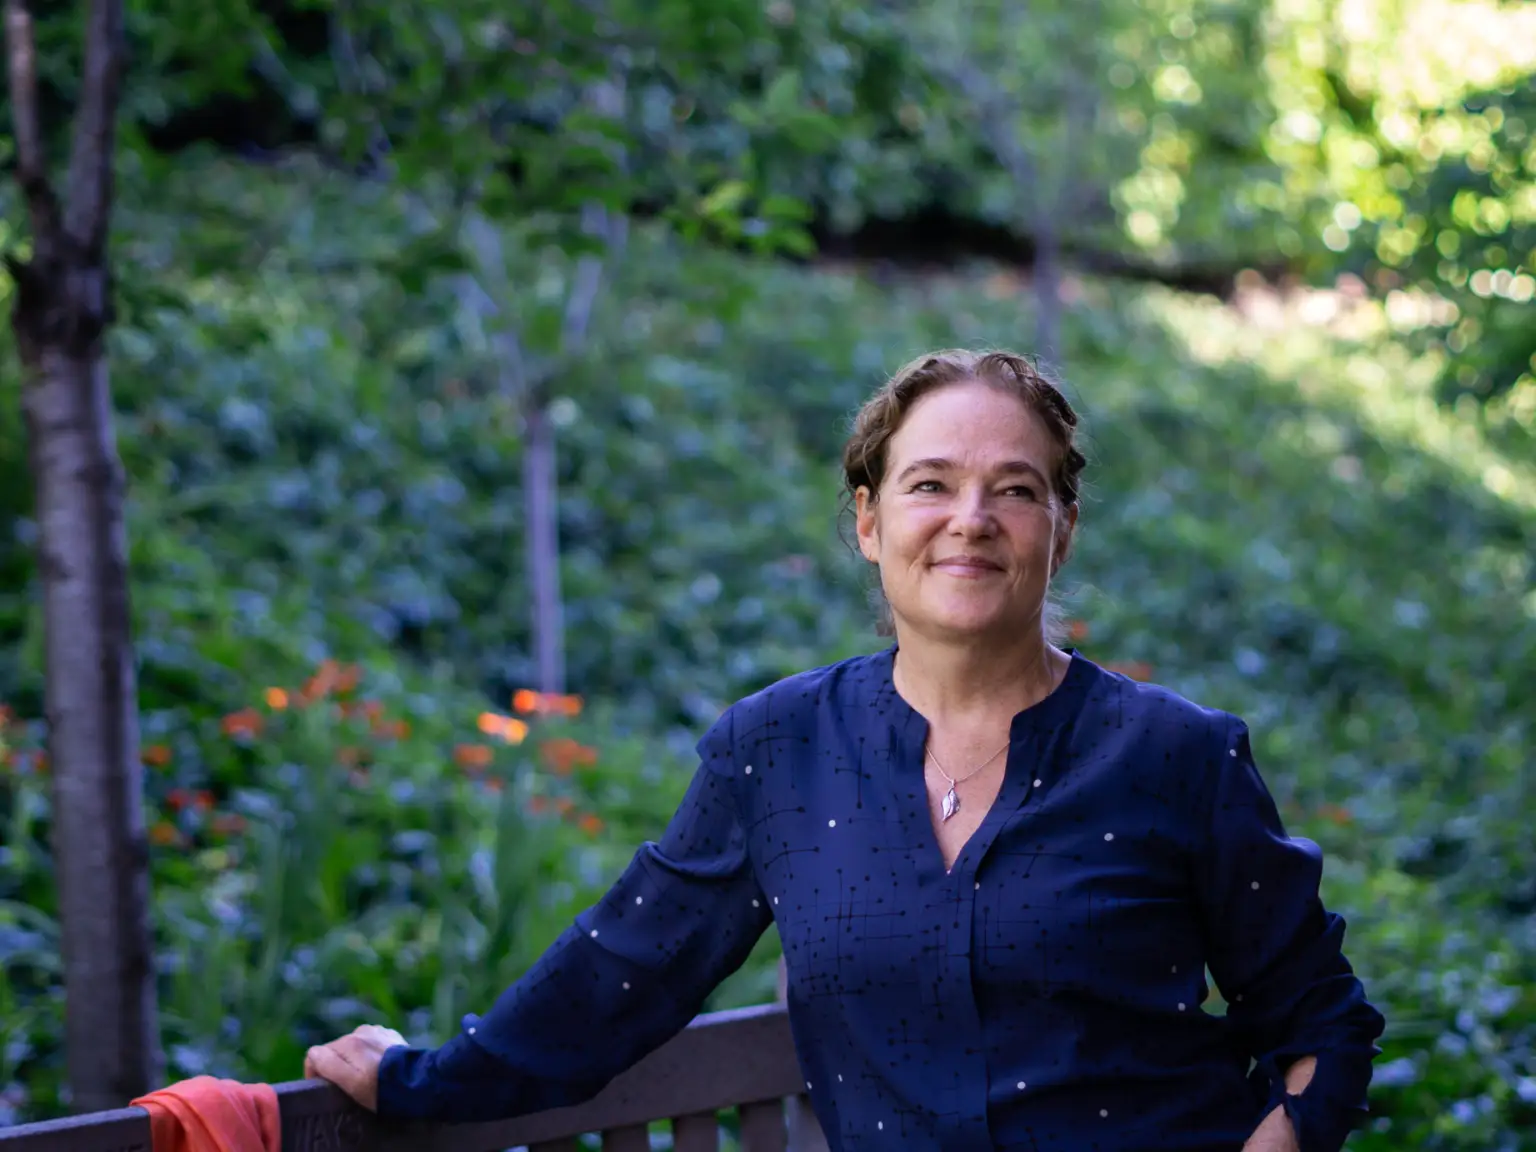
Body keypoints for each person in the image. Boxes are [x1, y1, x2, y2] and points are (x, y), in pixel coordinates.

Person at [305, 349, 1385, 1151]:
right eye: (930, 484)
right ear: (869, 522)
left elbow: (1321, 1027)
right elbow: (621, 976)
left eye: (1016, 488)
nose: (972, 518)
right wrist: (416, 1081)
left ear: (1063, 528)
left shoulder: (1177, 755)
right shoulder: (773, 754)